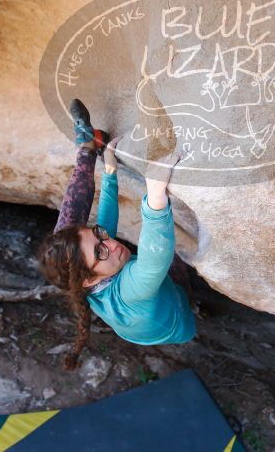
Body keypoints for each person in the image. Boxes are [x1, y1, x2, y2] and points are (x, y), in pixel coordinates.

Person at [37, 98, 196, 370]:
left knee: (66, 237)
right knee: (174, 268)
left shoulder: (85, 274)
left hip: (142, 311)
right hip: (177, 322)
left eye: (100, 236)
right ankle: (195, 303)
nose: (111, 242)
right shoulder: (128, 291)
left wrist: (110, 174)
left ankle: (88, 147)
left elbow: (104, 230)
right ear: (88, 279)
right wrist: (155, 198)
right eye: (101, 250)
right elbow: (153, 261)